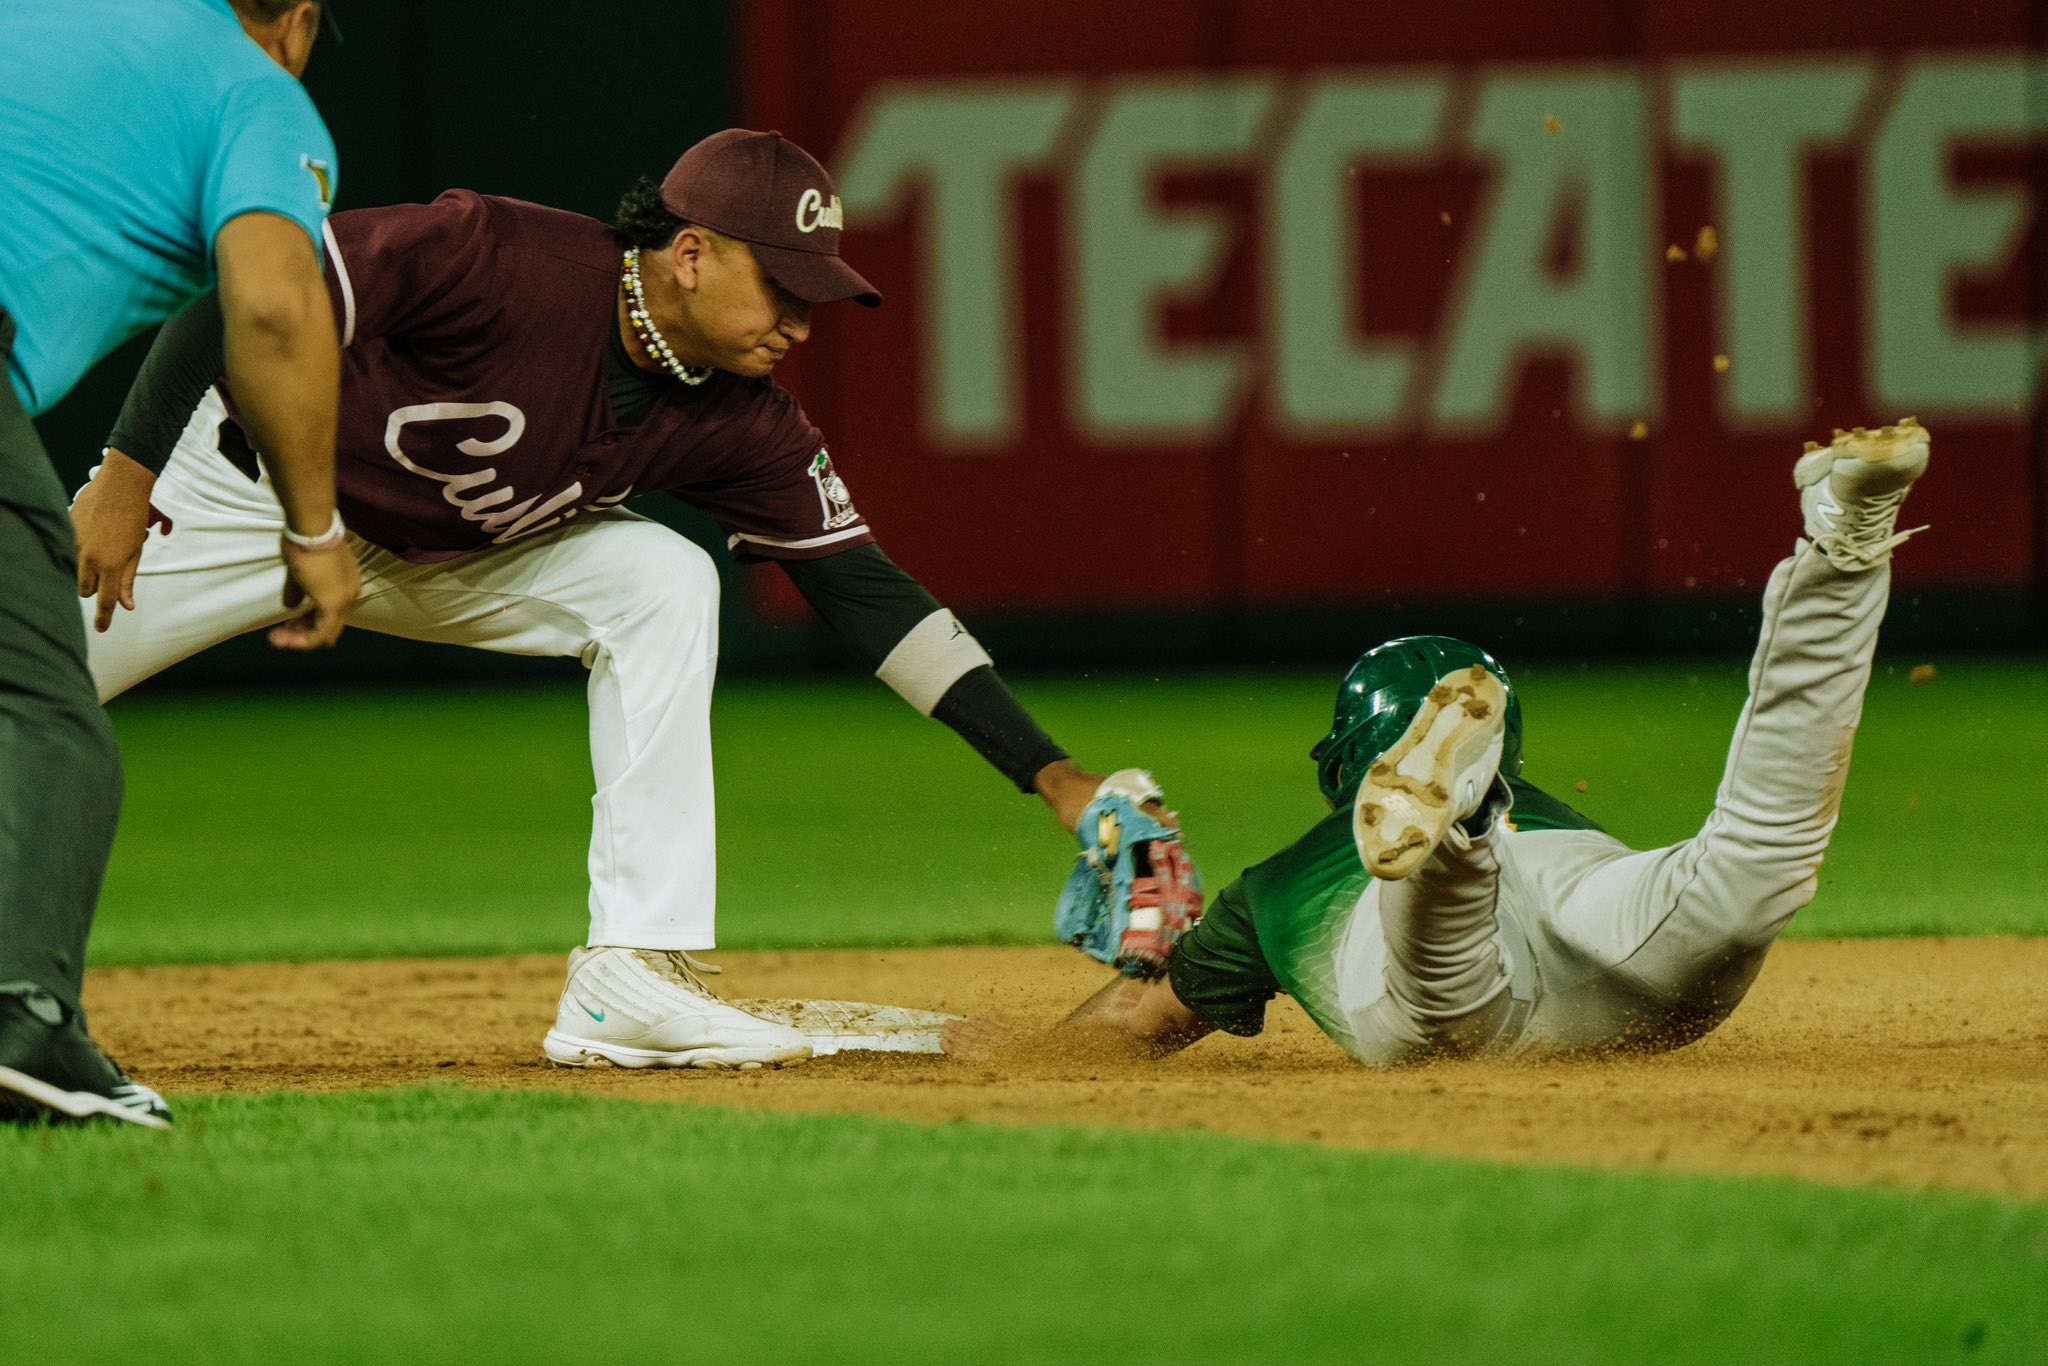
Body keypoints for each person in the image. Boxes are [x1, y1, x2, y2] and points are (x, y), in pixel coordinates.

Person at [68, 128, 1153, 1072]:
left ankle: (628, 975)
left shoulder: (744, 419)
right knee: (30, 677)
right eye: (782, 287)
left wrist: (1051, 774)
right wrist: (129, 469)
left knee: (664, 578)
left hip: (457, 558)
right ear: (689, 254)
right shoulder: (494, 254)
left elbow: (863, 591)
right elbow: (250, 290)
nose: (802, 323)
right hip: (237, 489)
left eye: (813, 294)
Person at [1043, 422, 1929, 1068]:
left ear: (1348, 759)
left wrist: (1019, 1058)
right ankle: (1841, 557)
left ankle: (1451, 838)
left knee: (1440, 994)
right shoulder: (1543, 799)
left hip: (1445, 1000)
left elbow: (1135, 1023)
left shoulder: (1269, 894)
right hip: (1611, 936)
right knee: (1753, 867)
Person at [0, 0, 358, 1129]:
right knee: (48, 721)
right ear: (294, 21)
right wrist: (311, 527)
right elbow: (266, 300)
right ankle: (24, 1027)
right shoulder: (258, 96)